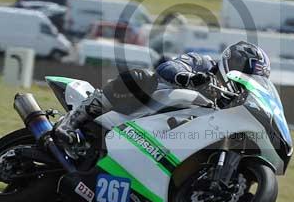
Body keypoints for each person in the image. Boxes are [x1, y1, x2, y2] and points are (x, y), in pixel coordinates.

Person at [52, 41, 271, 147]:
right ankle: (71, 121)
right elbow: (168, 67)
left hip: (166, 137)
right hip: (141, 108)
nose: (246, 78)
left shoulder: (231, 103)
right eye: (245, 70)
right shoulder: (203, 63)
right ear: (231, 61)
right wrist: (189, 78)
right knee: (141, 77)